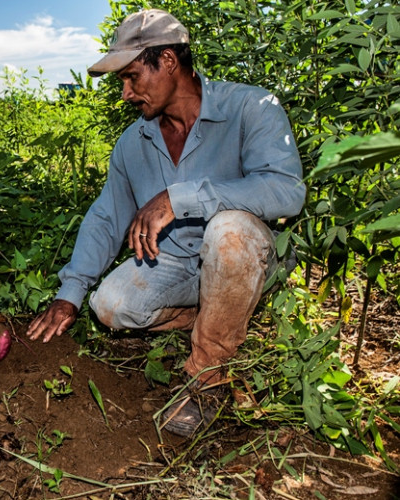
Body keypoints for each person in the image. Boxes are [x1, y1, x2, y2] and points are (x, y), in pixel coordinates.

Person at [26, 9, 305, 437]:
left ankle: (207, 377)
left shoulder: (250, 107)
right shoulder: (133, 143)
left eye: (132, 76)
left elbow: (286, 191)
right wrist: (71, 293)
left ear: (169, 60)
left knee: (228, 230)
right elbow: (107, 216)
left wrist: (182, 197)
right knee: (110, 306)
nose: (125, 93)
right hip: (177, 264)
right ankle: (211, 314)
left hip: (247, 258)